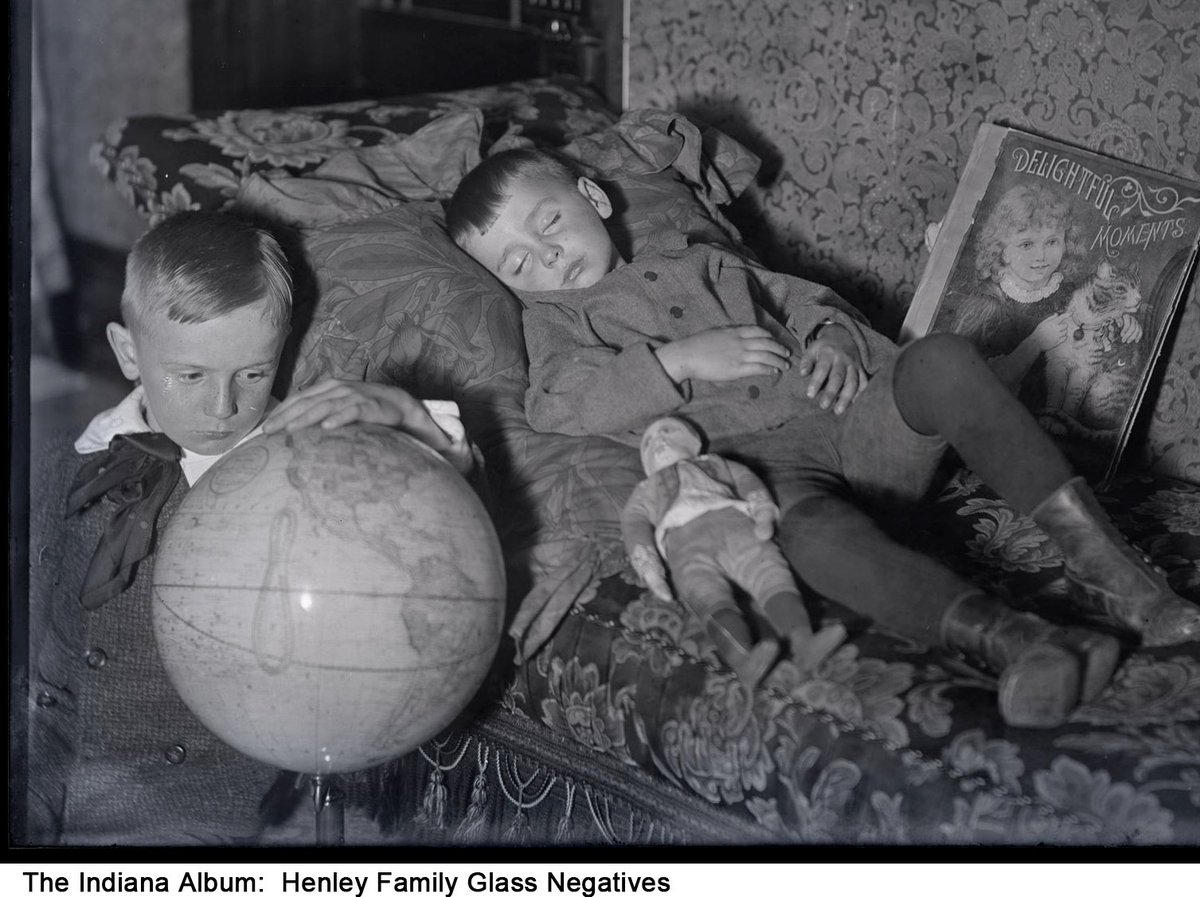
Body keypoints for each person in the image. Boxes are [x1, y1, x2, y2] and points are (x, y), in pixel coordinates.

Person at [445, 148, 1200, 729]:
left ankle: (1117, 576)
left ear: (592, 197)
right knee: (803, 534)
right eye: (519, 264)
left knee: (939, 359)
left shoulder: (704, 259)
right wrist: (673, 363)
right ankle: (1022, 641)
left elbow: (811, 303)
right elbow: (558, 403)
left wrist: (835, 338)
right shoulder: (556, 323)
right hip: (767, 476)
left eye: (547, 225)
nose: (546, 256)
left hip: (856, 433)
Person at [25, 210, 483, 845]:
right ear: (129, 354)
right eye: (191, 376)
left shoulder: (302, 455)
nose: (224, 407)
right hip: (54, 756)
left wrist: (403, 414)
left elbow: (440, 505)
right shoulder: (71, 463)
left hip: (199, 797)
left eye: (253, 374)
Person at [621, 416, 846, 685]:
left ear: (693, 441)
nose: (657, 440)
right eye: (647, 443)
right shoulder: (646, 489)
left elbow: (747, 480)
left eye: (668, 431)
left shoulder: (716, 463)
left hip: (736, 525)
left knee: (770, 571)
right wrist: (651, 570)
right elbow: (633, 525)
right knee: (706, 594)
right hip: (684, 546)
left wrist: (763, 513)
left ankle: (803, 640)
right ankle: (742, 659)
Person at [944, 182, 1091, 397]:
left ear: (1066, 242)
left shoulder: (1070, 293)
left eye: (1052, 242)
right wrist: (1036, 343)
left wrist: (1125, 323)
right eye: (1026, 245)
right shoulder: (987, 306)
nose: (1041, 255)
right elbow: (972, 384)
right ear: (1002, 251)